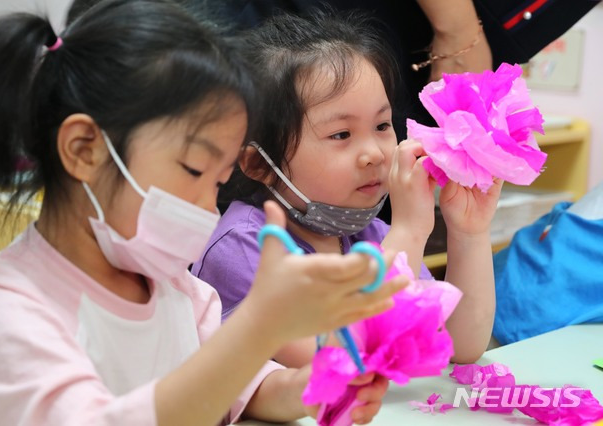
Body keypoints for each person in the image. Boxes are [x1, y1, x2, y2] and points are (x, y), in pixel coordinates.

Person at [0, 1, 406, 424]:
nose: (206, 204)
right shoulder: (5, 312)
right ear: (85, 150)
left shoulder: (174, 285)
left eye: (217, 180)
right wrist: (259, 326)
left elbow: (240, 387)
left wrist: (312, 388)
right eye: (193, 168)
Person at [192, 10, 503, 368]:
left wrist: (468, 233)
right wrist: (410, 231)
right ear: (261, 164)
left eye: (383, 125)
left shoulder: (370, 234)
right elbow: (339, 363)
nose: (374, 153)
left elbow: (457, 346)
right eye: (341, 134)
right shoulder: (244, 247)